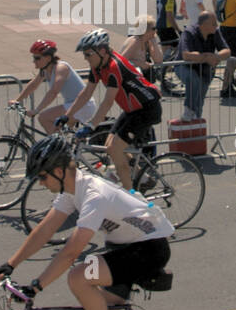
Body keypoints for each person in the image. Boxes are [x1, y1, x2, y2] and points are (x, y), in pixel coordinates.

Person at [0, 133, 174, 310]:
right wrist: (10, 264)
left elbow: (70, 252)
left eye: (42, 177)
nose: (41, 183)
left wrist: (36, 286)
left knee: (79, 276)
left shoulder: (94, 195)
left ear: (57, 171)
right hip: (123, 246)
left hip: (148, 249)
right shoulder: (72, 189)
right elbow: (44, 230)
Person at [64, 28, 162, 190]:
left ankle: (130, 199)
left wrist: (91, 126)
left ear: (102, 51)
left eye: (88, 54)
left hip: (147, 109)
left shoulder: (114, 66)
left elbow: (108, 102)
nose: (85, 58)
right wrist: (67, 116)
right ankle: (143, 178)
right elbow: (86, 93)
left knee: (116, 149)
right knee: (110, 147)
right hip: (133, 110)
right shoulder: (98, 65)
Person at [12, 39, 97, 133]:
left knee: (44, 118)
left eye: (37, 58)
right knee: (60, 132)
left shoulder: (60, 68)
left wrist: (36, 110)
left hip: (84, 105)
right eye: (34, 58)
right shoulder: (45, 70)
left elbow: (53, 92)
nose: (34, 61)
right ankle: (62, 146)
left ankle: (58, 147)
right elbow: (33, 85)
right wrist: (17, 100)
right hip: (73, 105)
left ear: (48, 58)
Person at [178, 12, 230, 120]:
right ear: (204, 24)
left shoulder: (215, 32)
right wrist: (206, 57)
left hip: (205, 69)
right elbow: (186, 55)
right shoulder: (189, 32)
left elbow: (227, 51)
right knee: (193, 79)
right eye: (214, 23)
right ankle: (188, 110)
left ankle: (196, 121)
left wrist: (216, 56)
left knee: (200, 99)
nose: (216, 26)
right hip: (185, 67)